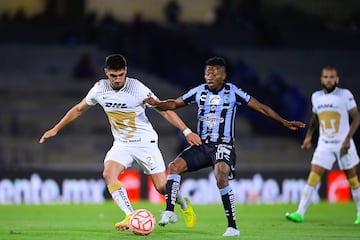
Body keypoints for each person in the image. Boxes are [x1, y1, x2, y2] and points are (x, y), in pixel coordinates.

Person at [143, 56, 306, 237]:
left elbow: (261, 108)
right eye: (207, 73)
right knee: (174, 167)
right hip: (202, 145)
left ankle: (232, 227)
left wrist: (283, 122)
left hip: (223, 144)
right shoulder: (199, 91)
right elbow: (174, 103)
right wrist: (158, 104)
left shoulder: (233, 92)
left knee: (221, 175)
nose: (209, 77)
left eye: (214, 73)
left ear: (224, 75)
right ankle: (170, 211)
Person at [39, 54, 200, 231]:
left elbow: (164, 110)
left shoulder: (137, 88)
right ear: (106, 72)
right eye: (113, 75)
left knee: (162, 188)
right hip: (122, 144)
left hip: (145, 143)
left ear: (126, 71)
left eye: (121, 75)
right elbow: (79, 109)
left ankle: (184, 203)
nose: (117, 79)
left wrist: (186, 131)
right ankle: (130, 215)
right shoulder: (99, 89)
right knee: (109, 174)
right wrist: (56, 128)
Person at [285, 66, 360, 224]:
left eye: (332, 77)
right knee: (313, 176)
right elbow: (315, 118)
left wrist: (347, 139)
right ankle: (299, 213)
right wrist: (309, 137)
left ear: (337, 79)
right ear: (321, 79)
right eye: (326, 77)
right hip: (325, 144)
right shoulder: (316, 97)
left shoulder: (345, 95)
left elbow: (356, 118)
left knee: (352, 179)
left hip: (343, 144)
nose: (329, 79)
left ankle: (359, 213)